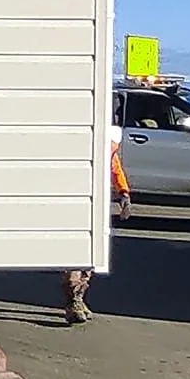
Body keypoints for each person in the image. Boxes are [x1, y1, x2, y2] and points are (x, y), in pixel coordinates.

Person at [58, 125, 130, 324]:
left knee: (90, 254)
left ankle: (78, 297)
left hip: (94, 206)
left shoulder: (108, 148)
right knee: (76, 253)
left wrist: (124, 193)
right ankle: (73, 301)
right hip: (77, 204)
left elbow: (115, 169)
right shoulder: (83, 147)